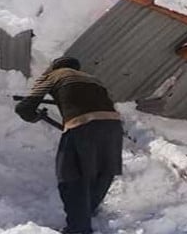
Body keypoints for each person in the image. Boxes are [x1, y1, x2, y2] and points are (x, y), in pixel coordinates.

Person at [15, 57, 123, 234]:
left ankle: (78, 229)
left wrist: (35, 116)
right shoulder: (93, 79)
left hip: (82, 124)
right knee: (103, 171)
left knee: (71, 176)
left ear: (54, 67)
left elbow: (24, 108)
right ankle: (88, 211)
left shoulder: (54, 75)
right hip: (113, 125)